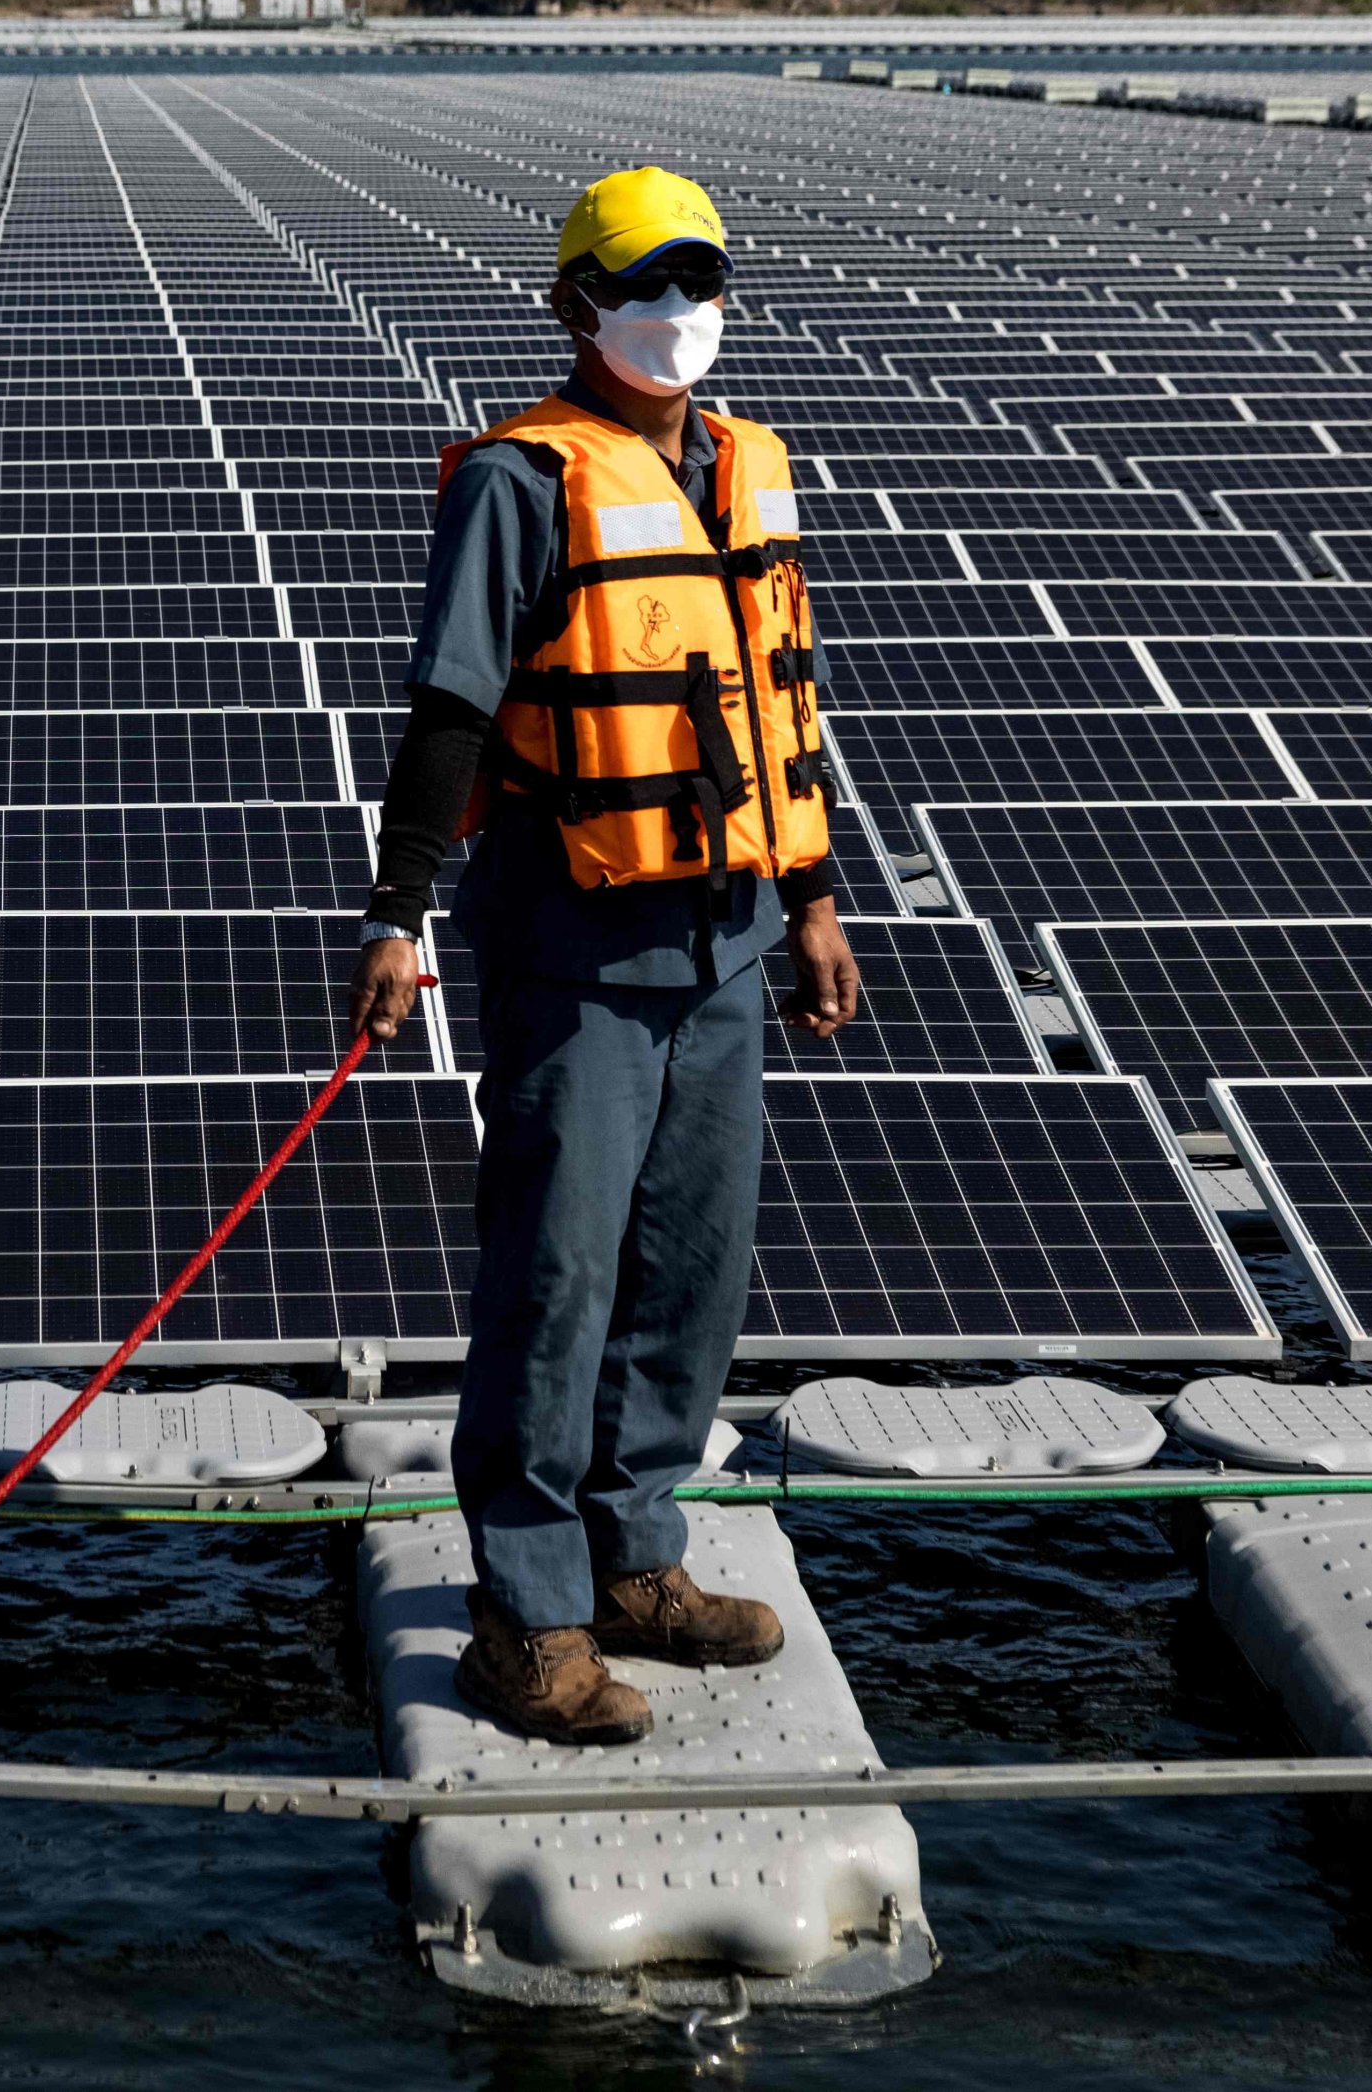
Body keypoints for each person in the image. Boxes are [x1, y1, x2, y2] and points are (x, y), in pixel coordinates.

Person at [344, 164, 860, 1747]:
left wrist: (820, 899)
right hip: (578, 935)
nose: (679, 314)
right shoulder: (522, 478)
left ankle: (637, 1560)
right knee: (557, 1277)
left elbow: (786, 705)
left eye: (699, 284)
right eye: (647, 285)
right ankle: (526, 1614)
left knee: (692, 1272)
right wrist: (396, 909)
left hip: (727, 935)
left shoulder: (747, 466)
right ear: (576, 303)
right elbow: (450, 711)